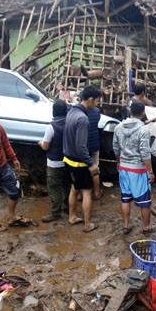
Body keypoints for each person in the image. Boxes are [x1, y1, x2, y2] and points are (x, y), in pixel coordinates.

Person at [63, 85, 102, 232]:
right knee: (86, 192)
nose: (97, 104)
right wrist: (91, 163)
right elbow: (81, 147)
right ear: (90, 100)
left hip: (68, 159)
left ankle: (72, 217)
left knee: (74, 189)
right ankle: (87, 224)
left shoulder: (71, 111)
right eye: (96, 101)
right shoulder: (82, 118)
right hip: (79, 162)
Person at [113, 100, 155, 235]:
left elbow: (116, 148)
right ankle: (146, 227)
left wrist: (118, 162)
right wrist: (151, 171)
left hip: (124, 168)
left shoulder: (118, 127)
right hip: (138, 170)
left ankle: (125, 226)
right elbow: (145, 152)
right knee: (145, 201)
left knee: (125, 198)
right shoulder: (143, 130)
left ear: (130, 111)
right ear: (143, 113)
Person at [38, 99, 70, 223]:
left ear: (53, 112)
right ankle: (66, 207)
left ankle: (56, 212)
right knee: (66, 185)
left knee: (54, 188)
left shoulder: (51, 127)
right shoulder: (69, 123)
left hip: (54, 162)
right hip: (67, 160)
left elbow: (45, 146)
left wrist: (40, 142)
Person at [85, 101, 103, 199]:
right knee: (95, 169)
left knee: (81, 171)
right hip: (94, 145)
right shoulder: (97, 111)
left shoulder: (80, 112)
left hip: (83, 147)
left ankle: (79, 195)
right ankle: (97, 192)